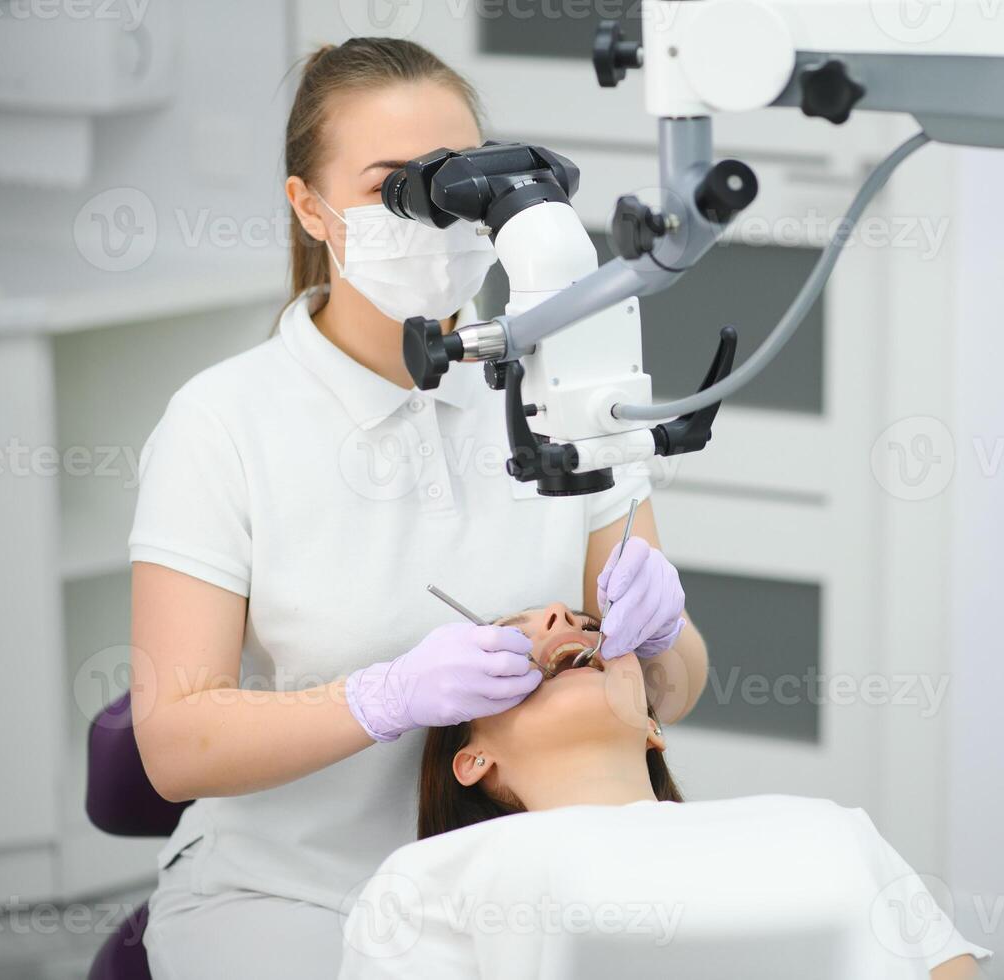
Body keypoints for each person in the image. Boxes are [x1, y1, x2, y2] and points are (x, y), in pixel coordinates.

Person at [128, 38, 706, 980]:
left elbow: (672, 694)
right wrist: (379, 699)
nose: (442, 216)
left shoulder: (568, 385)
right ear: (309, 207)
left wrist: (661, 636)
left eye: (457, 183)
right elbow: (173, 748)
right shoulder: (222, 423)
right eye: (397, 187)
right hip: (293, 895)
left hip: (533, 880)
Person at [339, 602, 990, 979]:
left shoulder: (830, 826)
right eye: (513, 638)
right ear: (472, 759)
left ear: (653, 726)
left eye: (587, 621)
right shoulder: (428, 880)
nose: (563, 617)